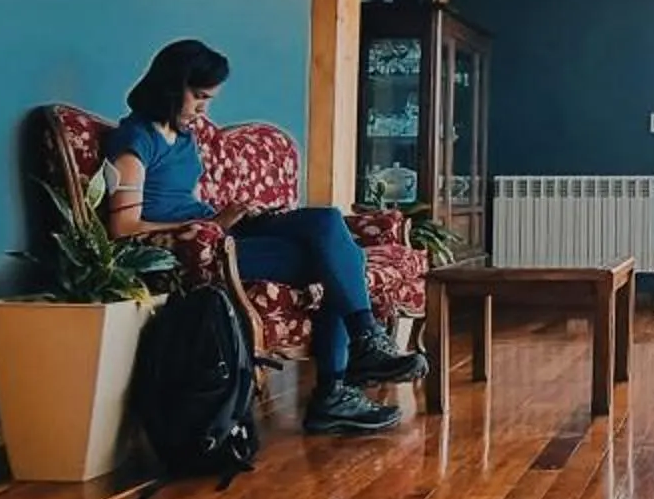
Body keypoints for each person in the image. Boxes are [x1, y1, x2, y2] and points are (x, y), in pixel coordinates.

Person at [103, 38, 422, 437]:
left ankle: (363, 344)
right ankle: (336, 389)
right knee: (341, 264)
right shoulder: (133, 142)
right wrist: (216, 224)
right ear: (171, 86)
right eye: (199, 97)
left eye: (209, 99)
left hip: (221, 227)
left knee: (325, 223)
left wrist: (234, 214)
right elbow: (123, 229)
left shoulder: (182, 136)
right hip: (199, 246)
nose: (204, 109)